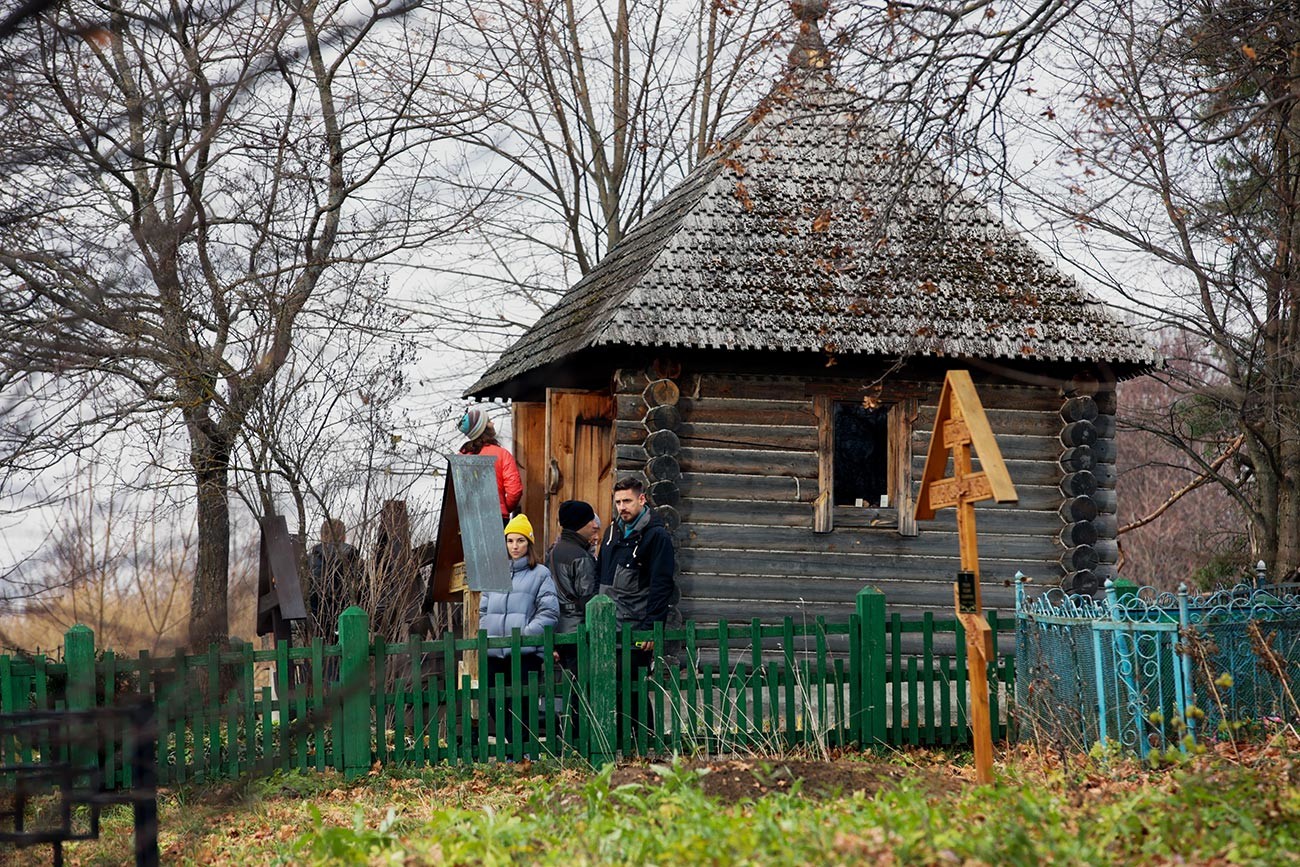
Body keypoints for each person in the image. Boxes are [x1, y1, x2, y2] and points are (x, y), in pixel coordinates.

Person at [597, 477, 678, 746]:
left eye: (627, 501)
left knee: (633, 686)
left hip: (636, 626)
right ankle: (622, 743)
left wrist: (651, 628)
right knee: (613, 686)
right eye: (618, 501)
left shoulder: (656, 536)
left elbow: (662, 584)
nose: (622, 507)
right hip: (608, 626)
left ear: (642, 500)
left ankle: (645, 742)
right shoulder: (612, 533)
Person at [480, 514, 559, 749]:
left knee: (523, 703)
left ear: (529, 543)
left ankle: (523, 751)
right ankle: (516, 748)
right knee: (496, 703)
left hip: (524, 652)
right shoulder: (494, 574)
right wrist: (489, 635)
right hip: (495, 651)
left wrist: (524, 636)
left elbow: (548, 613)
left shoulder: (541, 574)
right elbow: (483, 611)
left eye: (521, 541)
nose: (515, 546)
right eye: (510, 540)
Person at [457, 407, 523, 523]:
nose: (492, 423)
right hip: (497, 518)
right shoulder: (502, 454)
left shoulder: (461, 457)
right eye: (489, 421)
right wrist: (504, 507)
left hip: (468, 519)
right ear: (483, 428)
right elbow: (515, 490)